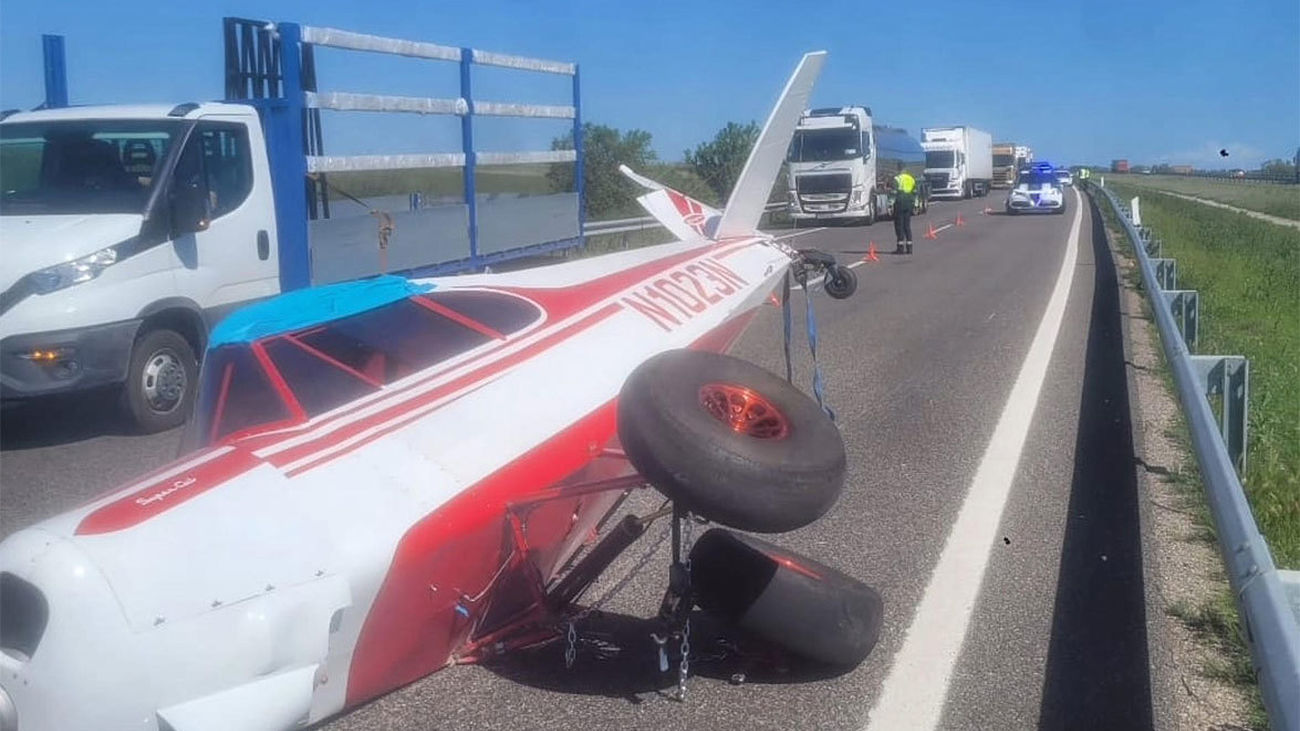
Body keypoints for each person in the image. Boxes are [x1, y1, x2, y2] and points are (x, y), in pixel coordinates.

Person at [893, 162, 917, 254]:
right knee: (907, 226)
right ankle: (910, 248)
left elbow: (893, 193)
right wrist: (913, 203)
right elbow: (915, 192)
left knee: (899, 227)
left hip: (899, 204)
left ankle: (900, 248)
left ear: (898, 169)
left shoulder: (897, 179)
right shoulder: (911, 179)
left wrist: (890, 204)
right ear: (905, 169)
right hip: (908, 205)